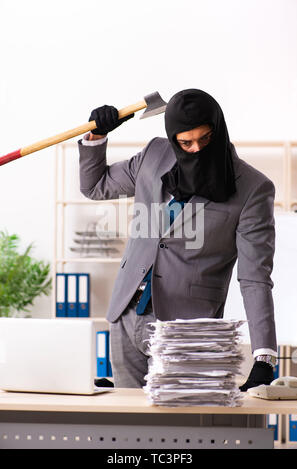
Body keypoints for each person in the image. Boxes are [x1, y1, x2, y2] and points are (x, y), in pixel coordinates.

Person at [79, 89, 277, 391]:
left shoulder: (253, 189)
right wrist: (96, 136)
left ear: (218, 129)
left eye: (205, 138)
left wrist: (264, 355)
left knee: (181, 431)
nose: (196, 149)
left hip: (188, 331)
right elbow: (95, 186)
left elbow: (254, 276)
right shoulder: (154, 155)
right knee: (127, 426)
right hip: (126, 314)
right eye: (186, 142)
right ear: (173, 138)